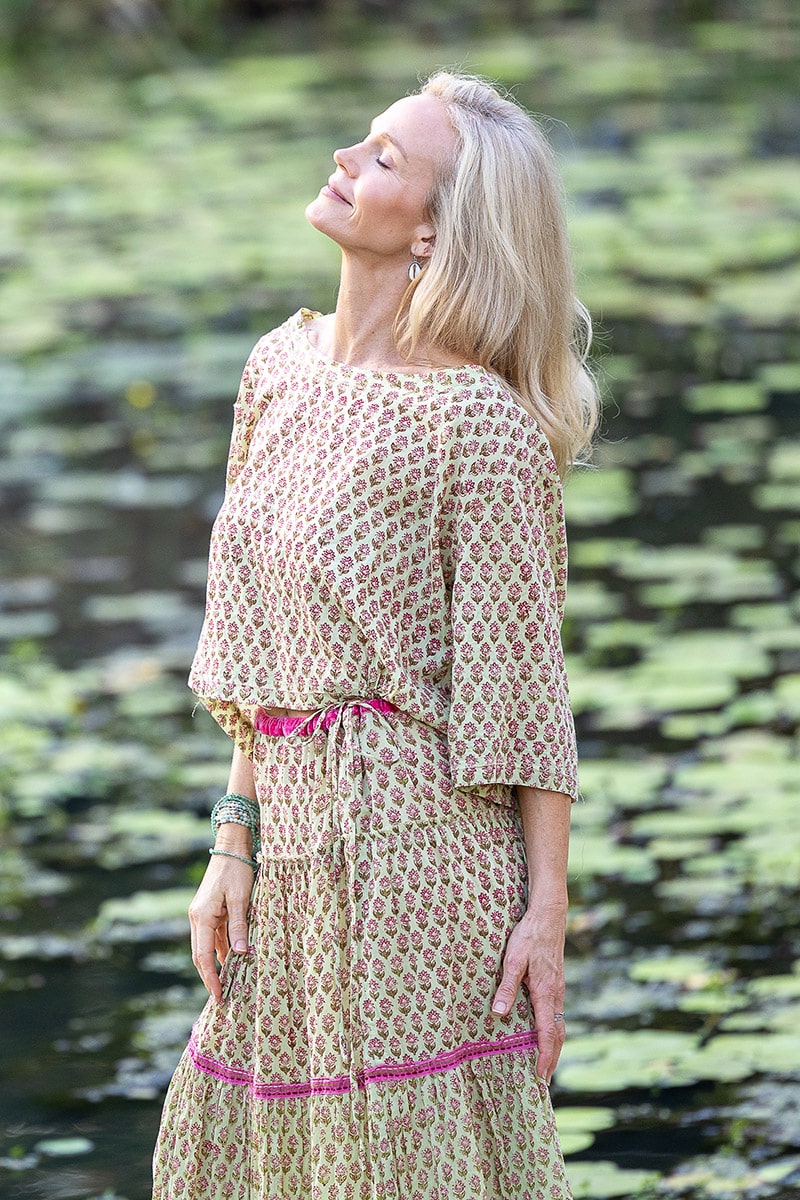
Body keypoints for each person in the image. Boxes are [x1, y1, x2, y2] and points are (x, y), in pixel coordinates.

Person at [152, 69, 598, 1200]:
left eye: (386, 157)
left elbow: (524, 696)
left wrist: (544, 916)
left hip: (423, 856)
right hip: (287, 847)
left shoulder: (480, 424)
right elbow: (263, 643)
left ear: (437, 228)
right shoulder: (277, 366)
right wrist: (232, 835)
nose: (348, 159)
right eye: (364, 140)